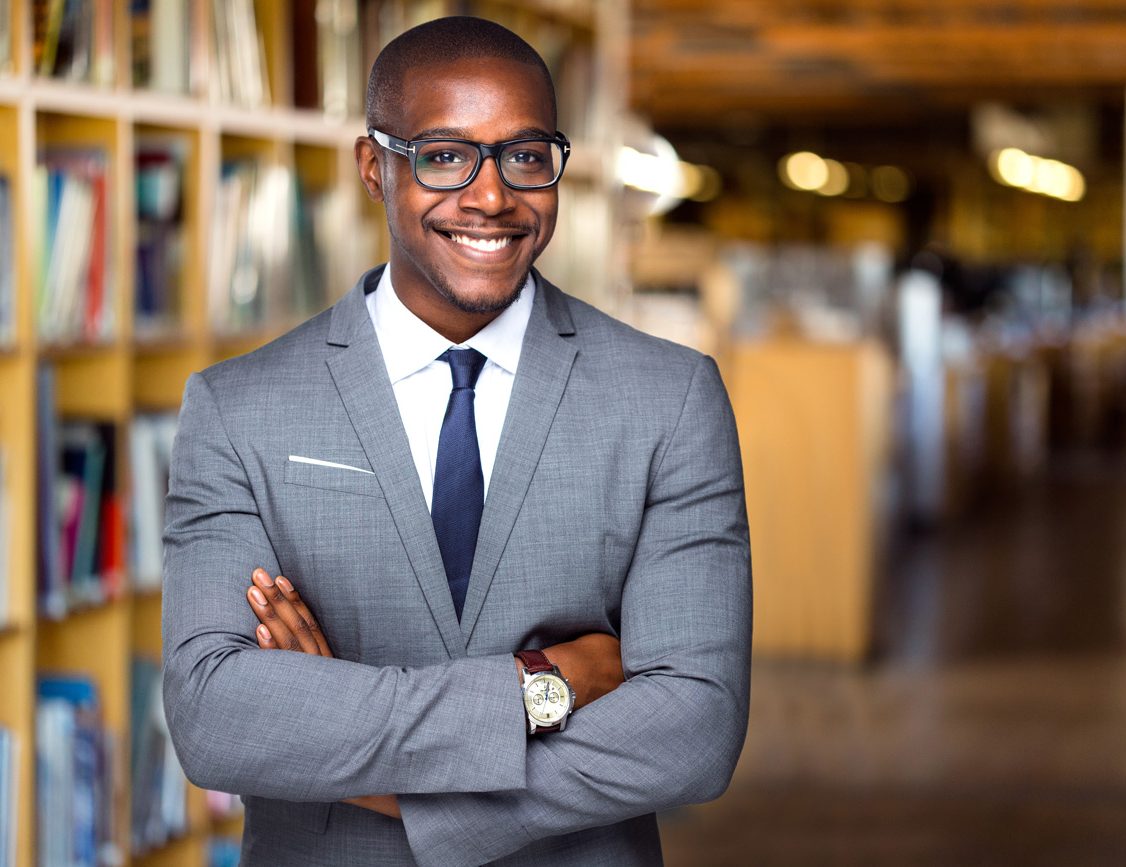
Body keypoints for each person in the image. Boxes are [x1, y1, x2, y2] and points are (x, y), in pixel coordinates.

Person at [161, 16, 751, 867]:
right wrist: (544, 685)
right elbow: (214, 715)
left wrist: (364, 764)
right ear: (375, 167)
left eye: (525, 155)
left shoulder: (670, 398)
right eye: (444, 155)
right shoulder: (238, 407)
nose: (490, 196)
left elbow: (695, 726)